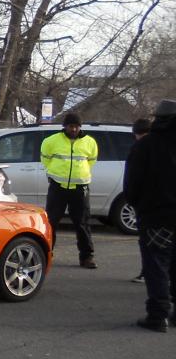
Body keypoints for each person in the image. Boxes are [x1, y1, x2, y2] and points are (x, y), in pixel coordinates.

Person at [124, 99, 176, 332]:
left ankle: (158, 315)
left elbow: (132, 184)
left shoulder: (146, 145)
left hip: (156, 216)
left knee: (156, 265)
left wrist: (139, 205)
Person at [40, 111, 99, 268]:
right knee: (51, 221)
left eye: (76, 127)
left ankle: (87, 257)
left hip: (80, 189)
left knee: (83, 223)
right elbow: (45, 159)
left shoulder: (90, 142)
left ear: (80, 127)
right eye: (71, 126)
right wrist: (55, 174)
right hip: (58, 187)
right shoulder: (51, 141)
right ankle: (46, 254)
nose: (74, 129)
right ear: (65, 126)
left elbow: (91, 160)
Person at [130, 117, 151, 283]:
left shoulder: (139, 149)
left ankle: (147, 272)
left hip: (148, 206)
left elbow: (132, 180)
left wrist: (133, 200)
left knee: (148, 243)